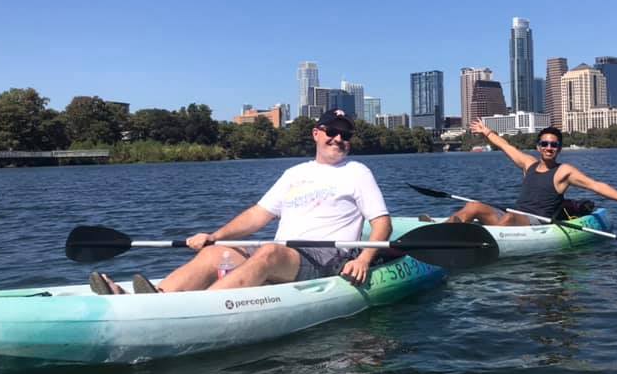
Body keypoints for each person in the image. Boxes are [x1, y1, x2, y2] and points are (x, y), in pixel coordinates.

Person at [89, 109, 392, 294]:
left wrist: (363, 259)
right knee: (217, 253)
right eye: (332, 132)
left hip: (327, 260)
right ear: (316, 134)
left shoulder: (357, 172)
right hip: (285, 255)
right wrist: (214, 237)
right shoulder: (293, 173)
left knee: (270, 251)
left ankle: (197, 309)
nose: (338, 139)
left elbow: (382, 224)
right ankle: (156, 296)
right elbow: (258, 216)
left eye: (345, 134)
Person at [445, 118, 617, 226]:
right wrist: (486, 132)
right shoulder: (528, 164)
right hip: (515, 217)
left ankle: (473, 234)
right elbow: (506, 146)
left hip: (537, 222)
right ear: (538, 147)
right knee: (473, 206)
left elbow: (596, 186)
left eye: (553, 145)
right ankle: (446, 230)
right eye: (544, 143)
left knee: (509, 219)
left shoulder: (564, 172)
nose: (548, 147)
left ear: (559, 149)